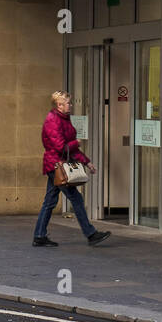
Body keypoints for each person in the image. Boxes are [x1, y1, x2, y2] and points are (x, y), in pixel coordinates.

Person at [32, 91, 109, 248]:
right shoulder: (52, 120)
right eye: (68, 102)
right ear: (59, 105)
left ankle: (39, 236)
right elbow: (61, 147)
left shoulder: (64, 119)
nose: (71, 105)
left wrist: (87, 162)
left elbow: (69, 148)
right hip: (57, 166)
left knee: (50, 201)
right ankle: (91, 234)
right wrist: (77, 143)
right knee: (76, 198)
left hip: (59, 164)